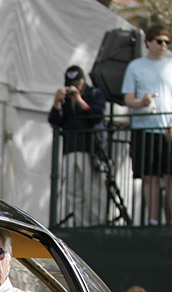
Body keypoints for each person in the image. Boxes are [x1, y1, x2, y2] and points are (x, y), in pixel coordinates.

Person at [122, 24, 172, 225]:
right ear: (149, 42)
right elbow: (128, 98)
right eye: (160, 41)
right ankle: (153, 220)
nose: (163, 45)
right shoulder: (135, 66)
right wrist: (141, 102)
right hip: (144, 130)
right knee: (150, 177)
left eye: (167, 42)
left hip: (169, 130)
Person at [48, 65, 106, 226]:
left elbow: (97, 116)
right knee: (74, 191)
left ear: (83, 82)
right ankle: (80, 224)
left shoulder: (94, 94)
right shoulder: (65, 98)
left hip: (90, 149)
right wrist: (57, 103)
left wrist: (79, 100)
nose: (72, 87)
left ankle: (97, 224)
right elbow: (54, 121)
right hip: (69, 149)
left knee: (92, 190)